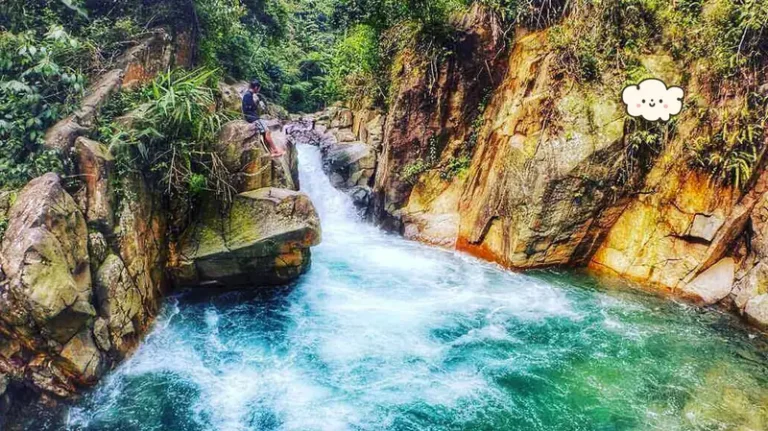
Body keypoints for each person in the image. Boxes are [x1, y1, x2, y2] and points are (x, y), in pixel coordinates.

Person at [242, 80, 284, 157]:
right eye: (258, 88)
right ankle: (275, 150)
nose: (259, 90)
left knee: (265, 132)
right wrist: (255, 105)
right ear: (256, 87)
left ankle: (271, 150)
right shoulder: (248, 95)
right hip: (252, 118)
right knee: (267, 132)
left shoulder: (248, 94)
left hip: (252, 117)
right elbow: (248, 108)